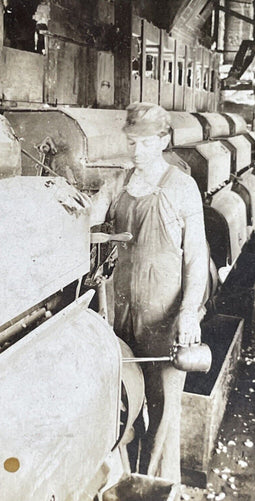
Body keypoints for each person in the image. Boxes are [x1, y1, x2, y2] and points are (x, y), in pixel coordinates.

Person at [91, 102, 208, 482]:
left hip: (164, 321)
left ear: (163, 140)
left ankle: (159, 487)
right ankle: (124, 485)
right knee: (120, 406)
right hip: (118, 317)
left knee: (162, 416)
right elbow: (88, 221)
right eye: (130, 142)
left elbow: (196, 259)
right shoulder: (117, 184)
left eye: (142, 142)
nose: (134, 150)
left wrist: (188, 313)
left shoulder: (181, 186)